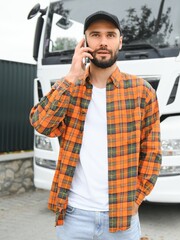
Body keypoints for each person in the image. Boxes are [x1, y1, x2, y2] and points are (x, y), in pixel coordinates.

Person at [29, 11, 162, 240]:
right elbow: (41, 124)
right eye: (95, 35)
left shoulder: (142, 92)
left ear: (120, 41)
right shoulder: (69, 89)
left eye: (110, 35)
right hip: (74, 217)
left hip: (121, 219)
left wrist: (136, 200)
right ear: (84, 42)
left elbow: (152, 154)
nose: (103, 42)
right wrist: (71, 76)